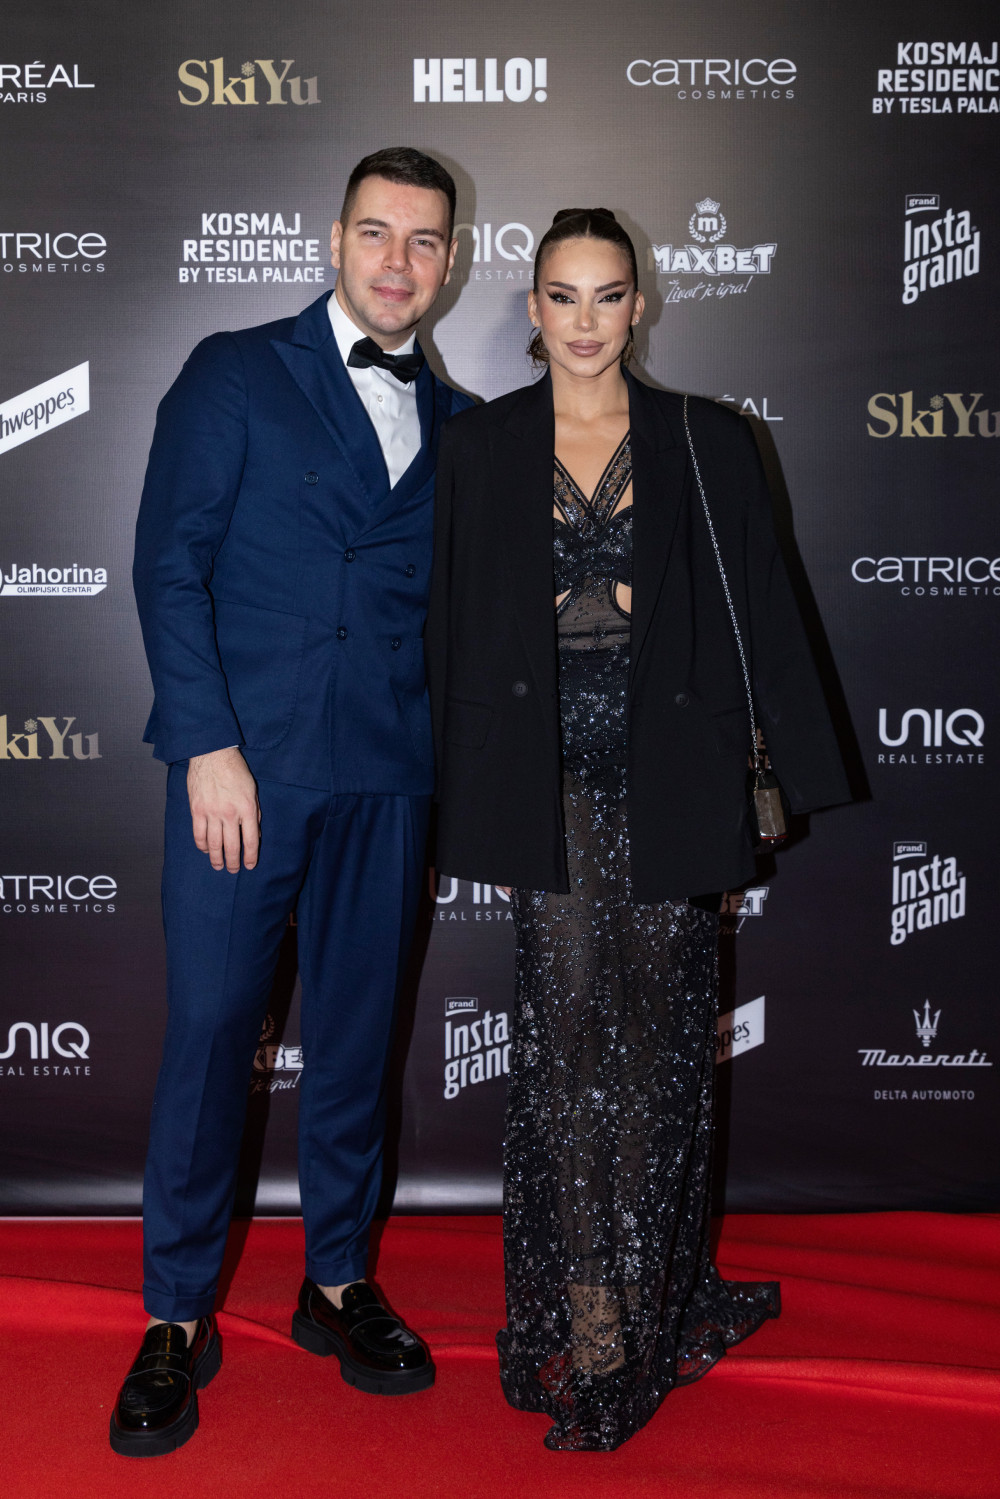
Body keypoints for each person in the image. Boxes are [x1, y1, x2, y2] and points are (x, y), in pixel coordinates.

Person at [425, 208, 850, 1451]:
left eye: (608, 295)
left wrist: (792, 772)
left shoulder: (706, 438)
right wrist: (439, 789)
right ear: (531, 307)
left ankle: (654, 1286)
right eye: (562, 296)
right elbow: (447, 624)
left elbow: (765, 605)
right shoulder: (481, 445)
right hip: (542, 784)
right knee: (567, 1052)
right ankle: (593, 1312)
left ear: (640, 304)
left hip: (675, 779)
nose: (586, 322)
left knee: (661, 1054)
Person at [113, 147, 473, 1457]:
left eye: (423, 239)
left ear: (450, 260)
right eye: (376, 232)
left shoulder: (462, 420)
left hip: (387, 777)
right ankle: (174, 1310)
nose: (397, 261)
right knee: (214, 1033)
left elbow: (460, 626)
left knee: (359, 1043)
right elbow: (169, 564)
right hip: (244, 777)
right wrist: (207, 741)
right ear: (335, 239)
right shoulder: (235, 370)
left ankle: (335, 1281)